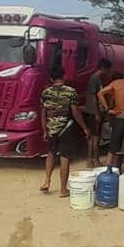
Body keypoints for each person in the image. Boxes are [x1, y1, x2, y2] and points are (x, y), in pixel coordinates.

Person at [39, 66, 88, 197]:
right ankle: (62, 190)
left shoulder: (45, 92)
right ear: (64, 76)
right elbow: (76, 112)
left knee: (51, 153)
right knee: (64, 157)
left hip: (51, 128)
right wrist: (84, 127)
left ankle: (47, 181)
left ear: (51, 78)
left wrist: (45, 130)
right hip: (66, 128)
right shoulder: (71, 91)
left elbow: (43, 113)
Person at [83, 59, 111, 168]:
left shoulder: (97, 79)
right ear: (104, 68)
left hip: (93, 111)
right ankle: (93, 159)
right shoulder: (95, 79)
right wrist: (97, 113)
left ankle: (92, 159)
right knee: (95, 137)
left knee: (94, 136)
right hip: (93, 111)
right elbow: (93, 97)